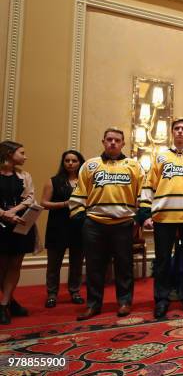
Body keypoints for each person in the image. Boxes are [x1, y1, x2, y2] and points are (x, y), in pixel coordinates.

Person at [70, 128, 145, 320]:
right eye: (109, 139)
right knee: (95, 267)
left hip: (123, 223)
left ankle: (124, 302)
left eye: (117, 140)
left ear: (123, 144)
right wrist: (81, 218)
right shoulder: (89, 165)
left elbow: (143, 196)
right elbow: (78, 195)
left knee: (124, 266)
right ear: (103, 141)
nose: (113, 143)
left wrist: (137, 219)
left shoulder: (134, 166)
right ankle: (93, 304)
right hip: (94, 223)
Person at [139, 118, 183, 319]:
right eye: (177, 128)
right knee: (162, 261)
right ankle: (161, 300)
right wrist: (145, 214)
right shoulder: (160, 157)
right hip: (164, 217)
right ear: (172, 132)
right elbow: (148, 186)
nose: (180, 132)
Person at [41, 150, 86, 308]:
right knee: (54, 264)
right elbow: (44, 203)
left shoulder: (85, 181)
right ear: (63, 162)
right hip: (57, 225)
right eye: (67, 160)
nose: (70, 163)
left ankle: (75, 291)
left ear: (80, 163)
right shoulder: (53, 181)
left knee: (76, 263)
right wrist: (66, 204)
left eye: (74, 160)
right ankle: (52, 294)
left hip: (78, 226)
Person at [0, 141, 36, 324]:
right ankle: (10, 301)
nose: (25, 156)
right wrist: (4, 214)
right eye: (22, 153)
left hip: (20, 223)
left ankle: (5, 304)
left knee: (15, 263)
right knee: (2, 265)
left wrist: (13, 212)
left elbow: (30, 197)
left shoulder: (24, 175)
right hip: (1, 223)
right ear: (8, 154)